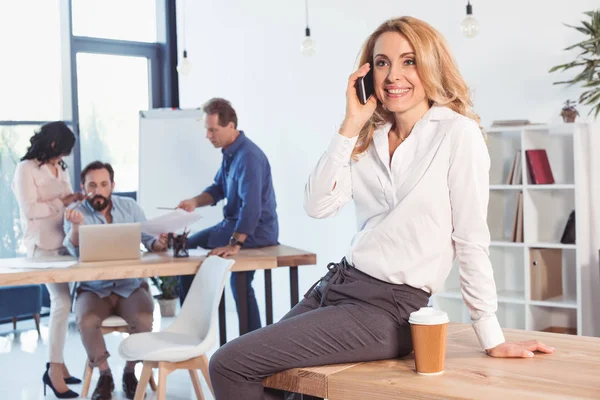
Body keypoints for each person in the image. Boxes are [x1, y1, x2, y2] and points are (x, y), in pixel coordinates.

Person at [207, 16, 555, 400]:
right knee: (281, 384)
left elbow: (471, 239)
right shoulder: (366, 137)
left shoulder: (458, 134)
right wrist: (349, 126)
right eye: (382, 63)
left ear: (431, 66)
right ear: (368, 73)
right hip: (336, 287)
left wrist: (490, 335)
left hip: (389, 309)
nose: (393, 75)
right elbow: (317, 205)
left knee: (229, 363)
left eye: (409, 61)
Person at [63, 161, 168, 400]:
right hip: (93, 288)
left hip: (129, 286)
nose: (98, 190)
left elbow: (149, 239)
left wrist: (159, 244)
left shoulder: (129, 207)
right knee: (86, 319)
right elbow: (73, 250)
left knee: (143, 317)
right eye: (92, 185)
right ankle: (104, 375)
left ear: (112, 185)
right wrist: (76, 226)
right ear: (84, 186)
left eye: (103, 184)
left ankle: (130, 372)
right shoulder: (75, 211)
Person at [177, 98, 278, 332]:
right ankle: (193, 330)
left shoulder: (248, 157)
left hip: (254, 232)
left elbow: (251, 207)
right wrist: (194, 202)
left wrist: (235, 243)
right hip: (234, 226)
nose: (208, 135)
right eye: (207, 129)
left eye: (213, 130)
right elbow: (218, 189)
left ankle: (195, 331)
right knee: (191, 251)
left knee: (235, 280)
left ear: (230, 126)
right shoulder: (230, 153)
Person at [12, 121, 84, 399]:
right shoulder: (26, 169)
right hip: (41, 247)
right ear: (52, 144)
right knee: (61, 304)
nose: (64, 157)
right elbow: (29, 209)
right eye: (62, 151)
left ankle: (61, 366)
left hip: (65, 244)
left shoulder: (60, 167)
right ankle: (54, 371)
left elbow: (63, 201)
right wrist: (62, 202)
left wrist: (73, 200)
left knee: (68, 303)